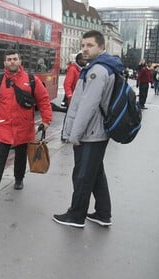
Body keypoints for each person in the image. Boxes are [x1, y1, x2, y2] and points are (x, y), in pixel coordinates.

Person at [53, 30, 121, 228]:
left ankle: (76, 215)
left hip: (90, 133)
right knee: (96, 173)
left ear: (101, 47)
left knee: (82, 175)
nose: (84, 49)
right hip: (97, 131)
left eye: (90, 45)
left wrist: (74, 135)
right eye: (83, 45)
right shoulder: (105, 67)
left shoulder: (97, 71)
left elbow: (87, 106)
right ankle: (103, 213)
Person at [0, 49, 52, 200]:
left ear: (20, 61)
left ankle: (19, 178)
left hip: (24, 127)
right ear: (5, 63)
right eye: (9, 59)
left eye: (15, 59)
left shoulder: (31, 79)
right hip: (4, 127)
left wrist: (46, 120)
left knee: (21, 156)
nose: (12, 62)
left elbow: (43, 100)